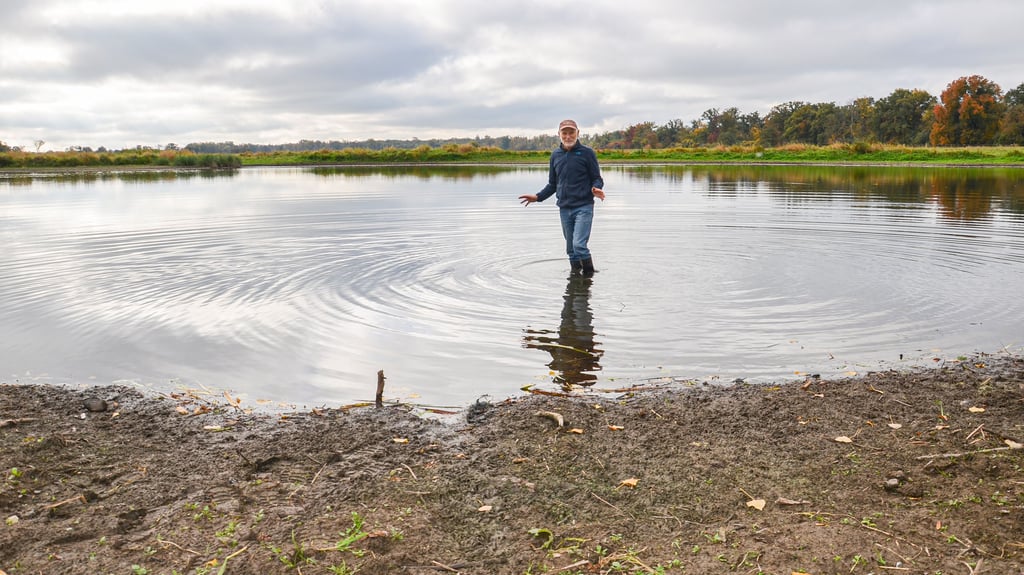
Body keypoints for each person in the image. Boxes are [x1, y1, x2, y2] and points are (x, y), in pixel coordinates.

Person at [519, 119, 605, 276]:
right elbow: (552, 184)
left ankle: (588, 278)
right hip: (564, 209)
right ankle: (576, 280)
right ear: (559, 134)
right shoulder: (555, 155)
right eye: (564, 133)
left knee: (579, 245)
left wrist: (596, 188)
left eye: (571, 132)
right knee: (571, 250)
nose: (568, 136)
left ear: (578, 133)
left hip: (584, 207)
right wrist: (537, 197)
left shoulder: (587, 153)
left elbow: (597, 178)